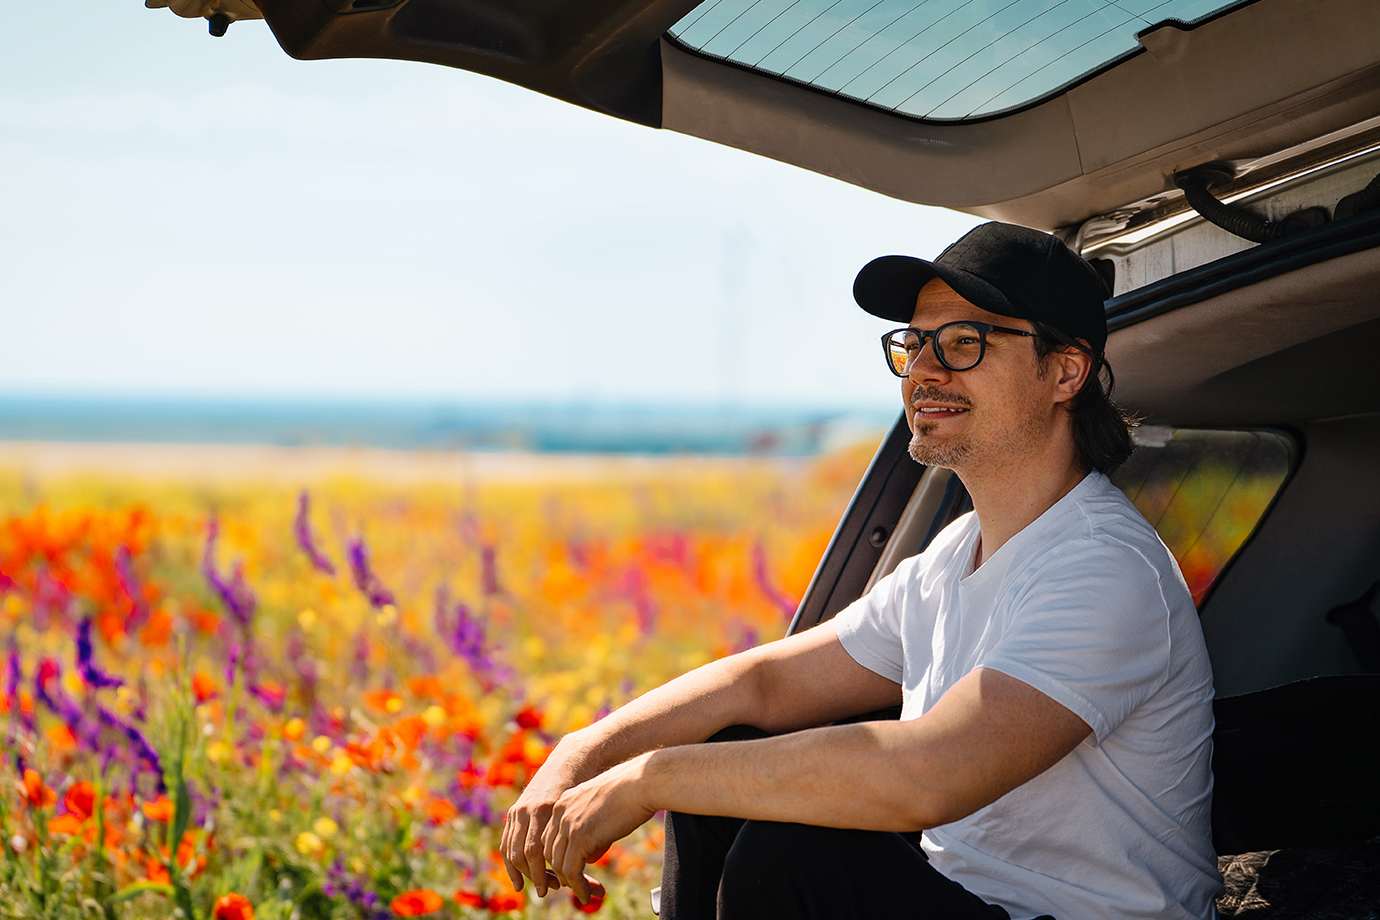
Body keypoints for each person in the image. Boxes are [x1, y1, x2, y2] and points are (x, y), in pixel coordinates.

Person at [499, 221, 1221, 919]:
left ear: (1065, 371)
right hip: (967, 900)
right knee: (724, 755)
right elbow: (764, 682)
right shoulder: (952, 556)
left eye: (964, 343)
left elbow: (931, 775)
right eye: (914, 345)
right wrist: (583, 754)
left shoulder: (1104, 568)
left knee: (795, 852)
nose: (926, 373)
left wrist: (651, 777)